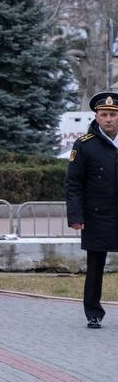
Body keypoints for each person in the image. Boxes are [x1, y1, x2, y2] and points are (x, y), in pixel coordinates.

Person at [66, 91, 118, 328]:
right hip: (97, 214)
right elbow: (73, 183)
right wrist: (75, 216)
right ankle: (93, 312)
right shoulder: (85, 145)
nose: (108, 119)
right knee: (95, 266)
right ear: (96, 116)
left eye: (113, 115)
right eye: (104, 114)